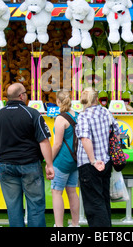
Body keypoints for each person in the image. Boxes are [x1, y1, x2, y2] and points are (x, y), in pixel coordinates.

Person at [0, 83, 54, 227]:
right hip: (30, 165)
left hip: (5, 166)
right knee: (35, 205)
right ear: (21, 96)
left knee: (13, 207)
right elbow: (44, 141)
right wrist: (49, 164)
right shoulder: (32, 113)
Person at [75, 87, 120, 227]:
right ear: (96, 99)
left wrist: (93, 160)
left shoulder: (83, 116)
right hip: (106, 162)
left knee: (94, 204)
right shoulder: (106, 112)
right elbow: (117, 134)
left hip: (90, 164)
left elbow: (85, 139)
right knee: (104, 200)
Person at [51, 91, 80, 227]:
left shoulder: (60, 119)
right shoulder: (78, 116)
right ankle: (75, 224)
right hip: (75, 160)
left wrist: (49, 161)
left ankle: (59, 226)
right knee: (72, 192)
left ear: (58, 102)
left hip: (62, 161)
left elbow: (57, 144)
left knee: (57, 192)